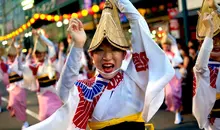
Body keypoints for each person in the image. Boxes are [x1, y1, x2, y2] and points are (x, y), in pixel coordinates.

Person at [26, 0, 174, 129]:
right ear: (92, 56)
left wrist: (122, 2)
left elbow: (139, 26)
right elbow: (64, 91)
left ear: (124, 55)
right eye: (100, 51)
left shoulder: (135, 78)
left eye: (115, 50)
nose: (107, 57)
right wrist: (77, 45)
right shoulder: (86, 89)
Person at [17, 30, 63, 121]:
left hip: (55, 95)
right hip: (43, 98)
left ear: (45, 53)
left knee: (58, 120)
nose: (39, 55)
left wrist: (41, 37)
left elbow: (51, 46)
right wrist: (19, 54)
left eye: (41, 52)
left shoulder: (50, 62)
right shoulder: (34, 67)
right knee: (45, 119)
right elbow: (21, 68)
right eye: (37, 53)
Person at [193, 0, 220, 129]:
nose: (216, 44)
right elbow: (200, 67)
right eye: (213, 40)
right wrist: (209, 31)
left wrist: (216, 8)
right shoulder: (206, 67)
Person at [4, 41, 29, 129]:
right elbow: (5, 70)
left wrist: (17, 50)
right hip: (12, 89)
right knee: (13, 103)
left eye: (13, 55)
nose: (11, 57)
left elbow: (18, 58)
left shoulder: (18, 63)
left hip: (20, 88)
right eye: (10, 55)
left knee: (22, 106)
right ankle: (14, 110)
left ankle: (25, 122)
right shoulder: (7, 65)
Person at [161, 33, 183, 124]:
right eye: (164, 45)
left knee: (177, 95)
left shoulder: (175, 54)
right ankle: (177, 112)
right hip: (167, 77)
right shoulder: (161, 54)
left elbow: (179, 62)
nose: (166, 47)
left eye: (167, 45)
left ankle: (177, 114)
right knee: (169, 95)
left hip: (176, 75)